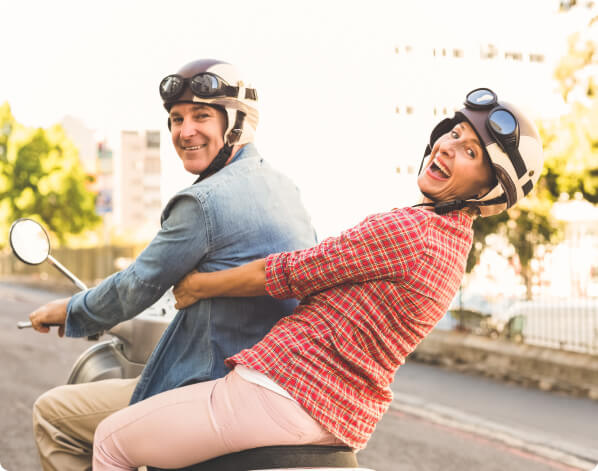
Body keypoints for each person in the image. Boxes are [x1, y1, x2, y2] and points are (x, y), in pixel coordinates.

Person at [88, 87, 545, 470]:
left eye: (469, 152)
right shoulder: (451, 246)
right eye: (454, 133)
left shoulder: (412, 230)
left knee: (111, 440)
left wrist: (196, 287)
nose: (447, 145)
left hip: (281, 392)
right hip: (337, 418)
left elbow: (291, 272)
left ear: (487, 190)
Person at [28, 58, 317, 471]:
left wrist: (71, 310)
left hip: (211, 383)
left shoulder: (202, 202)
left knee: (53, 414)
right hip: (279, 383)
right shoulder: (288, 191)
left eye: (201, 116)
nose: (185, 131)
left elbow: (137, 285)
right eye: (176, 119)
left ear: (236, 124)